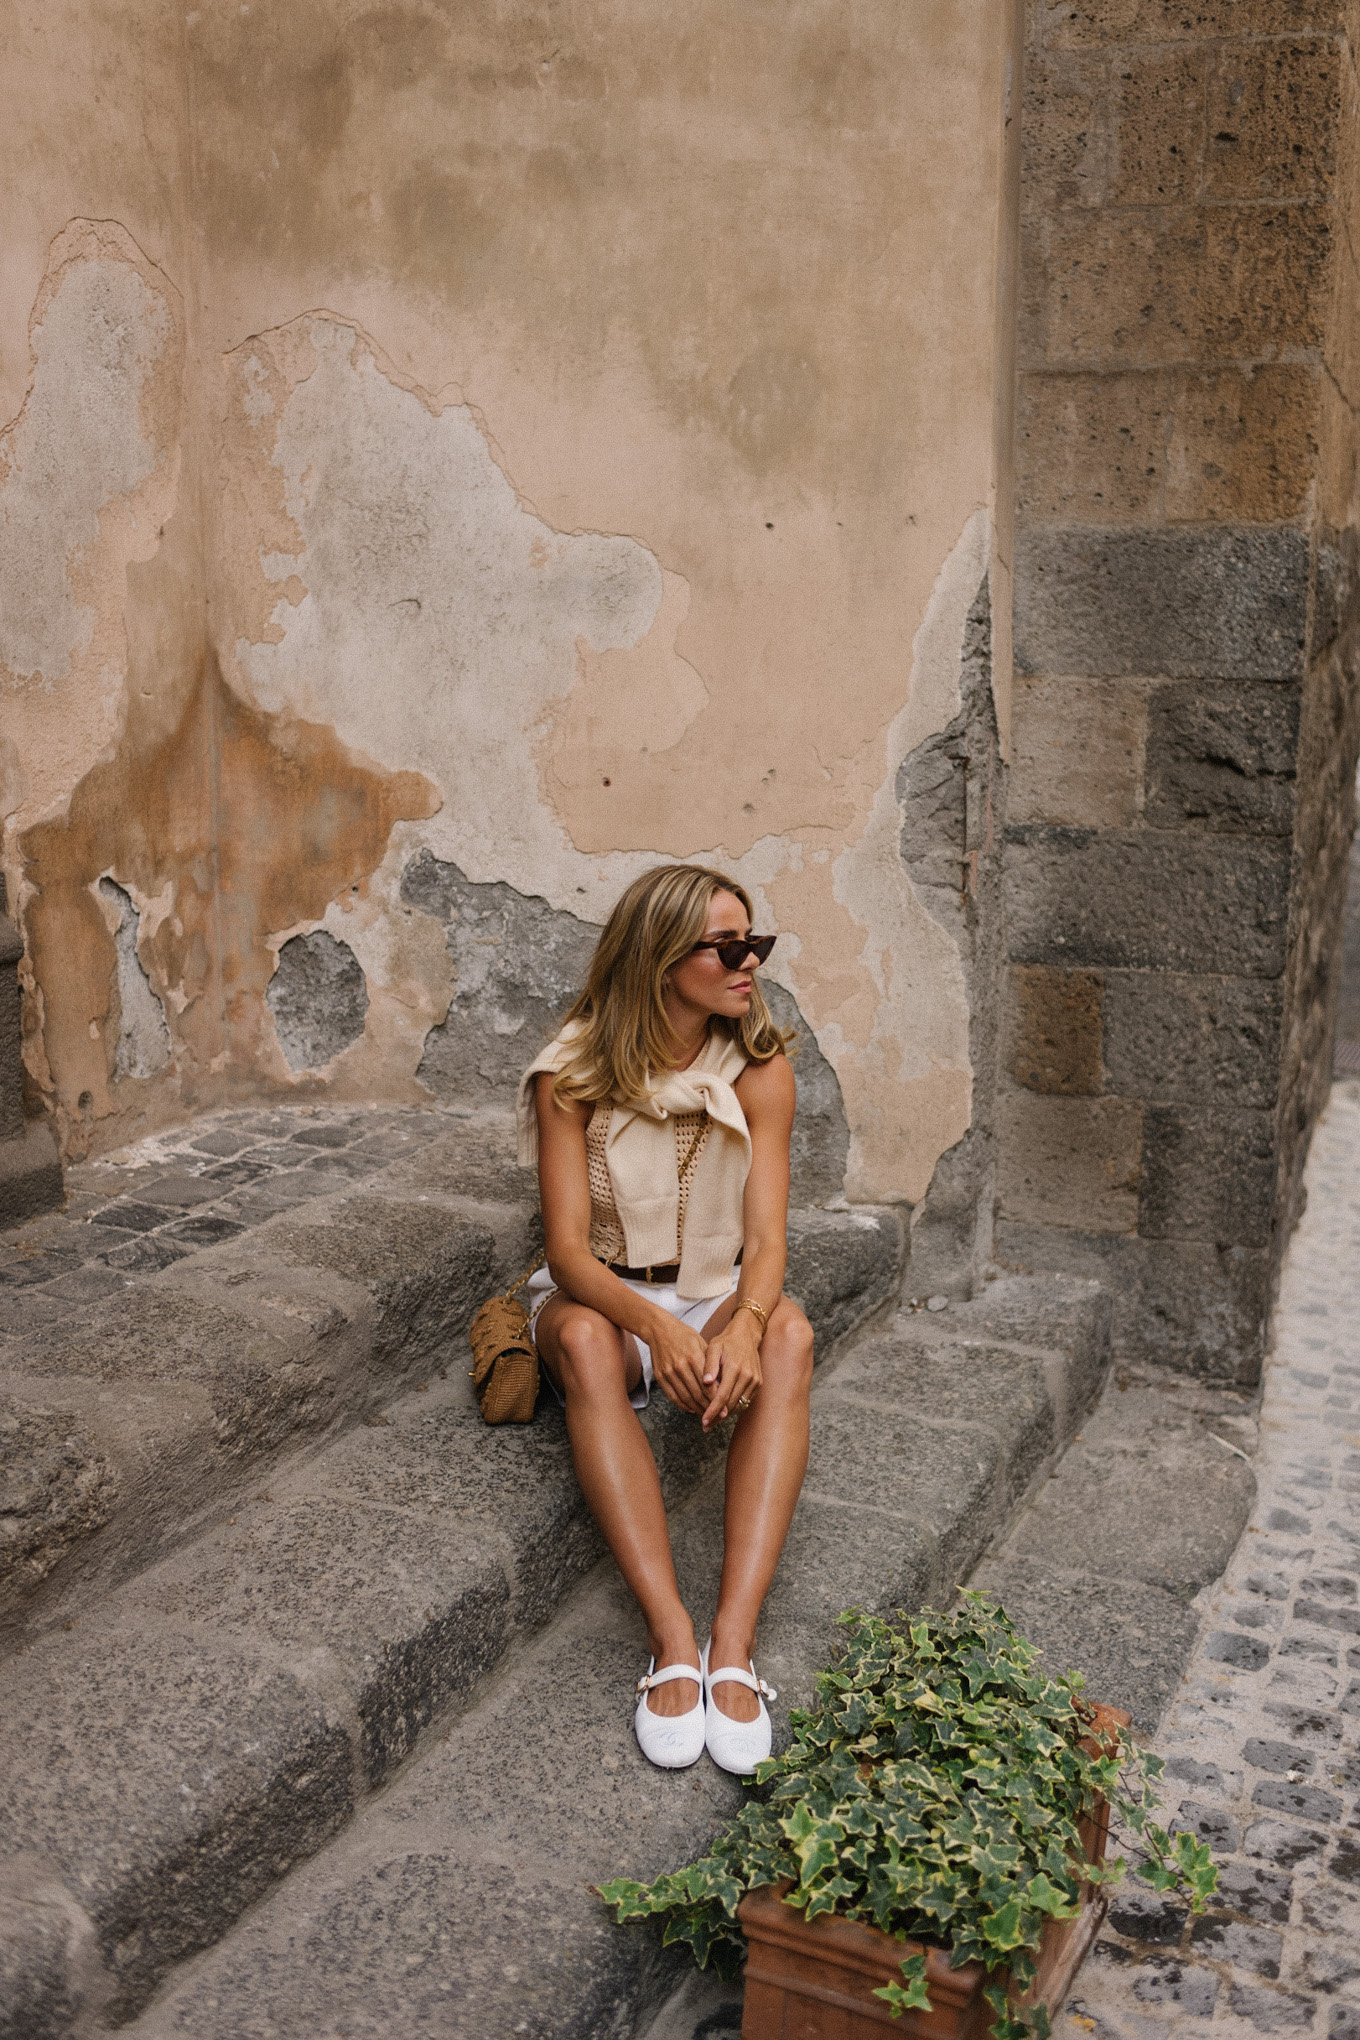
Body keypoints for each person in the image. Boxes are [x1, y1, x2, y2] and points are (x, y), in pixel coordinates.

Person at [515, 863, 814, 1773]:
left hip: (716, 1286)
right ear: (658, 959)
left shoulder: (759, 1070)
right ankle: (671, 1641)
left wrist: (742, 1325)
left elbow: (766, 1242)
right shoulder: (570, 1071)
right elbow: (567, 1253)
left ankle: (732, 1646)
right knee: (575, 1337)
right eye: (727, 947)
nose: (749, 962)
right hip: (607, 1295)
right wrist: (661, 1331)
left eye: (753, 942)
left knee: (793, 1332)